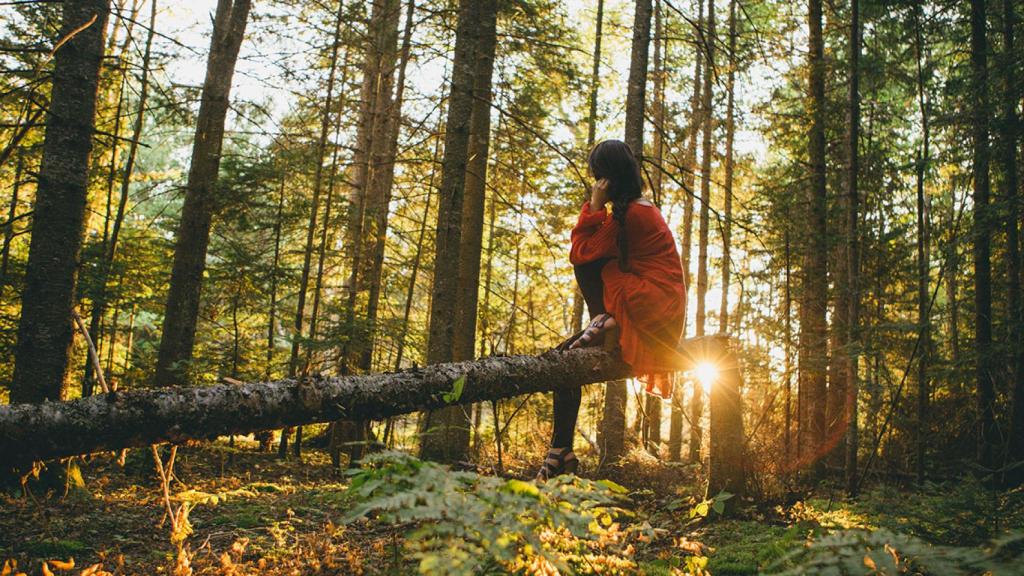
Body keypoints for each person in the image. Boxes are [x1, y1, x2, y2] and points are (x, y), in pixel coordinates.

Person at [537, 139, 686, 481]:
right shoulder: (637, 209)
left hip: (651, 306)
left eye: (598, 177)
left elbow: (580, 251)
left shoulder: (631, 214)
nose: (596, 184)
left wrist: (593, 205)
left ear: (607, 178)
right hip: (654, 306)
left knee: (590, 262)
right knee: (565, 357)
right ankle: (560, 451)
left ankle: (604, 320)